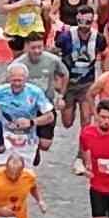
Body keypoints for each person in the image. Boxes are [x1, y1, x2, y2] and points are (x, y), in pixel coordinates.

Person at [9, 35, 68, 164]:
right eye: (33, 48)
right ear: (26, 47)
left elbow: (65, 74)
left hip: (46, 105)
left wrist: (61, 96)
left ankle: (36, 146)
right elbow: (8, 83)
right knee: (24, 138)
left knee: (45, 144)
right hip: (26, 107)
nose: (37, 51)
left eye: (40, 47)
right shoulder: (18, 64)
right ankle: (30, 151)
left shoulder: (52, 60)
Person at [56, 4, 107, 129]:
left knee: (86, 119)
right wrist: (57, 80)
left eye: (88, 22)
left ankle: (84, 141)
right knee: (67, 122)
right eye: (80, 22)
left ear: (93, 20)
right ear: (76, 19)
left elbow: (105, 55)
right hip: (68, 83)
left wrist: (105, 77)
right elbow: (55, 56)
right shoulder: (65, 37)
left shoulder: (99, 38)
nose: (84, 25)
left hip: (87, 83)